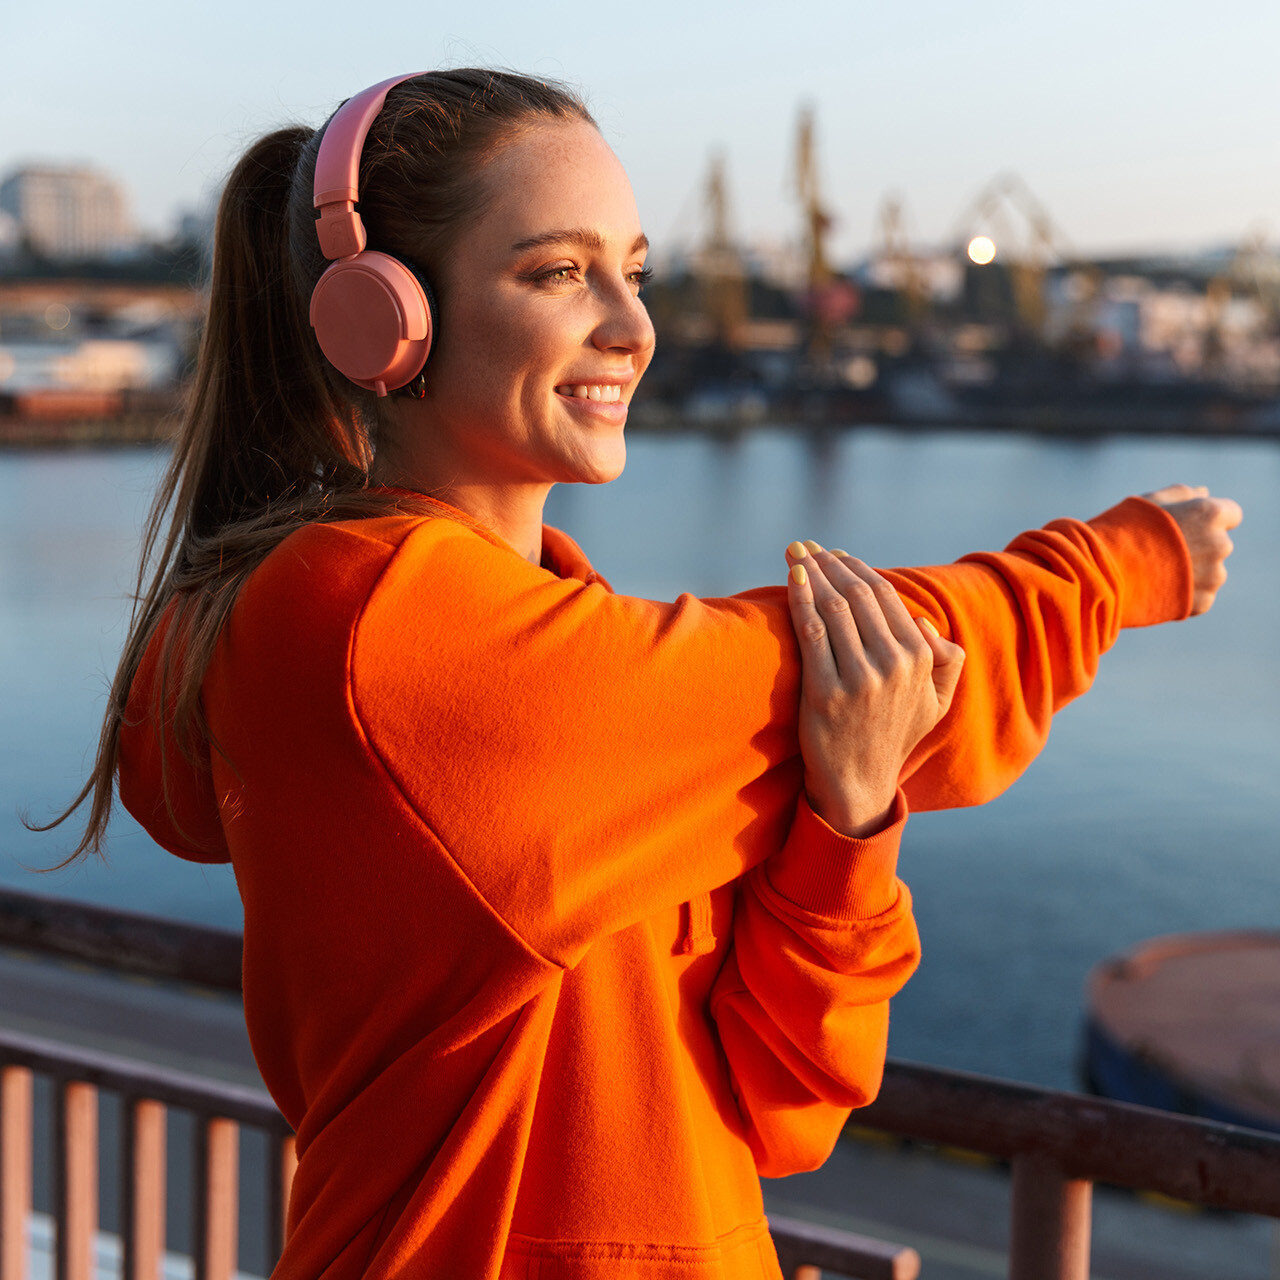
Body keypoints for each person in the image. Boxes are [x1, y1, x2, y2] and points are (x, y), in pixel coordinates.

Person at [49, 71, 1240, 1280]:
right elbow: (875, 644)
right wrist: (1117, 565)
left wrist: (847, 816)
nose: (631, 324)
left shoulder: (584, 681)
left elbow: (783, 1108)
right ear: (381, 316)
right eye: (558, 271)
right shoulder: (379, 625)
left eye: (636, 270)